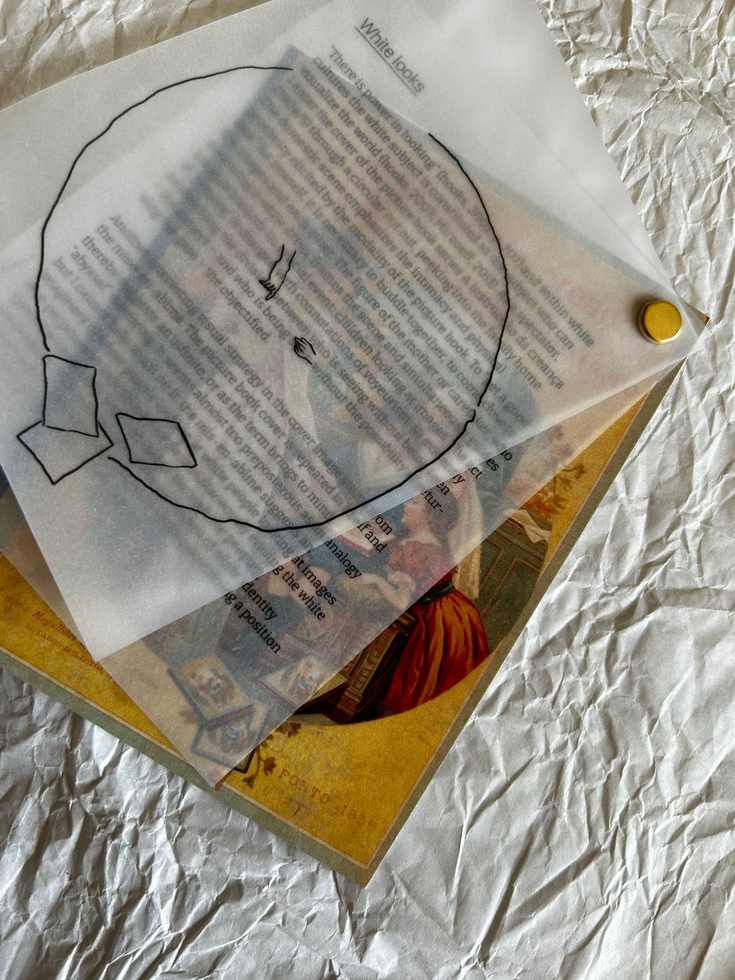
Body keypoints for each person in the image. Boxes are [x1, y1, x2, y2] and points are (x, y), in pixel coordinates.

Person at [359, 488, 489, 713]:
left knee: (426, 690)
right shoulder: (429, 542)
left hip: (442, 623)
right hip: (459, 613)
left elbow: (402, 602)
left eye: (414, 502)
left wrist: (376, 580)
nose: (405, 505)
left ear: (429, 516)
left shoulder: (414, 550)